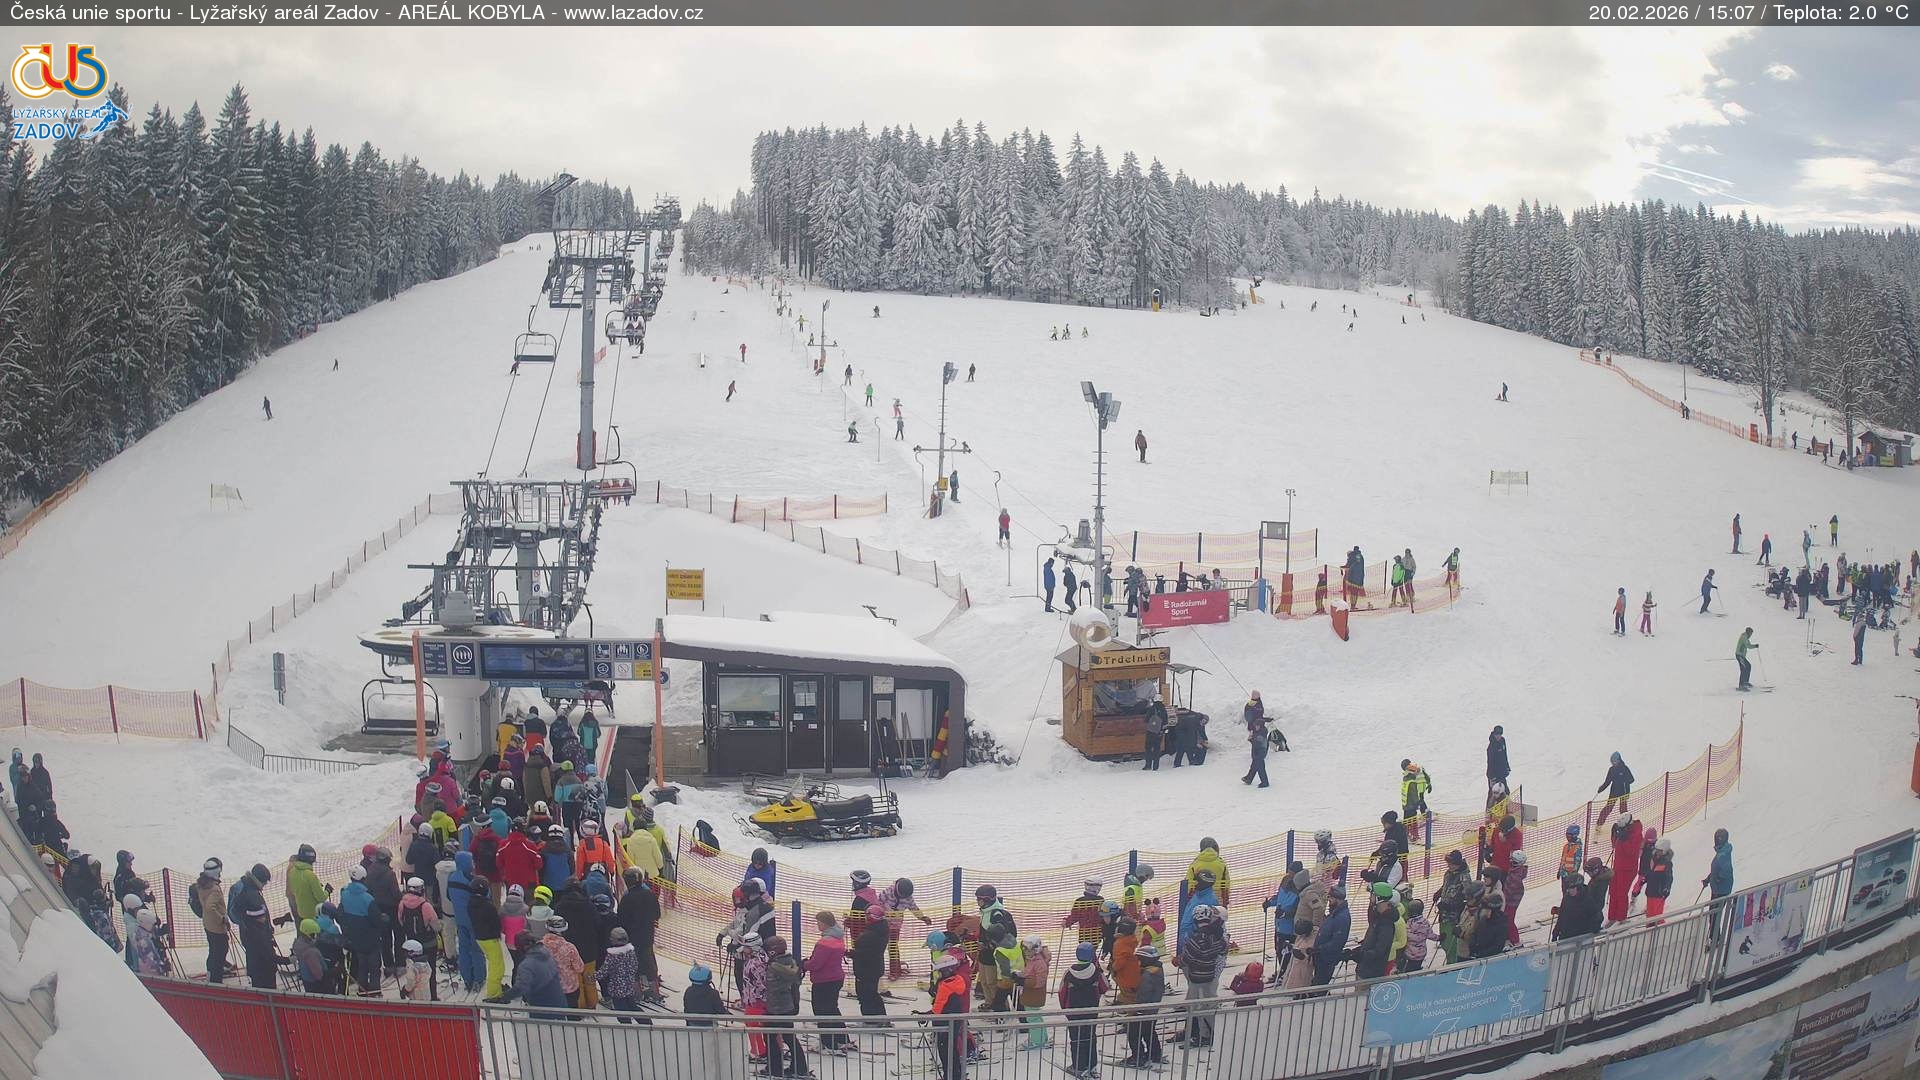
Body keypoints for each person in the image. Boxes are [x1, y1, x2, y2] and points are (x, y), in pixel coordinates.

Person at [763, 936, 809, 1079]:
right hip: (788, 1005)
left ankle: (775, 1069)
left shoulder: (774, 966)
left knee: (770, 1037)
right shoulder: (790, 962)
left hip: (776, 1007)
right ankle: (800, 1068)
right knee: (789, 1037)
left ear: (772, 952)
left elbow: (769, 985)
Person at [1180, 905, 1227, 1046]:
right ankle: (1211, 1033)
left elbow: (1187, 958)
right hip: (1210, 974)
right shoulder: (1217, 936)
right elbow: (1222, 949)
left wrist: (1181, 961)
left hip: (1196, 977)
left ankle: (1202, 1035)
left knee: (1194, 1007)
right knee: (1208, 1006)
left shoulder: (1194, 939)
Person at [805, 912, 850, 1051]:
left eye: (819, 922)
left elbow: (816, 964)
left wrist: (804, 964)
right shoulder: (838, 937)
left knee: (821, 1012)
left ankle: (828, 1043)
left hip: (824, 980)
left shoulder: (825, 942)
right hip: (836, 978)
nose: (818, 925)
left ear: (825, 923)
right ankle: (842, 1039)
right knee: (832, 1009)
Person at [1122, 944, 1168, 1067]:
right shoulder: (1157, 970)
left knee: (1133, 1033)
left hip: (1142, 1011)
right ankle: (1155, 1053)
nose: (1138, 962)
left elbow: (1143, 996)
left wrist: (1135, 1009)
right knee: (1149, 1032)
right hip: (1152, 1009)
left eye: (1140, 959)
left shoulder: (1147, 976)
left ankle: (1138, 1057)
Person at [929, 951, 970, 1080]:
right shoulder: (957, 980)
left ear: (946, 971)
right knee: (953, 1049)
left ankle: (950, 1076)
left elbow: (939, 1005)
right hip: (955, 1019)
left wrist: (929, 1015)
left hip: (943, 1022)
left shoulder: (945, 985)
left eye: (940, 972)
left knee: (945, 1051)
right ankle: (956, 1074)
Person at [191, 859, 231, 983]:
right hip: (217, 926)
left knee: (214, 951)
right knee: (220, 951)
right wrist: (222, 918)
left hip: (208, 924)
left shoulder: (202, 884)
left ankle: (211, 973)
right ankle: (215, 978)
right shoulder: (214, 889)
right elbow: (210, 907)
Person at [850, 900, 889, 1020]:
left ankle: (871, 1020)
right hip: (873, 968)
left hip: (866, 970)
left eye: (867, 916)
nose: (865, 919)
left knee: (865, 996)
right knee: (872, 994)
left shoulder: (871, 934)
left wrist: (851, 953)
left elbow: (865, 953)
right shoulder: (879, 929)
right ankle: (879, 1018)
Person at [470, 875, 506, 999]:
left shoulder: (471, 903)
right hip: (490, 938)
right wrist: (498, 933)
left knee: (492, 963)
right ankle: (494, 994)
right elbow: (496, 922)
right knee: (497, 967)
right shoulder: (487, 906)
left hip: (479, 937)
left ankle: (496, 987)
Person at [1595, 752, 1634, 827]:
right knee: (1608, 808)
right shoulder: (1611, 770)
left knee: (1623, 810)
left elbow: (1632, 779)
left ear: (1619, 760)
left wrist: (1624, 780)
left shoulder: (1625, 768)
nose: (1613, 763)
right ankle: (1599, 825)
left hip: (1624, 792)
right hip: (1614, 792)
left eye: (1614, 762)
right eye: (1612, 762)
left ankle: (1625, 825)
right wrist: (1601, 788)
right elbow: (1607, 782)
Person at [1242, 693, 1272, 788]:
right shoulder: (1259, 730)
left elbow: (1258, 742)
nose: (1255, 727)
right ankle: (1249, 778)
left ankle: (1264, 782)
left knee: (1259, 766)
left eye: (1256, 726)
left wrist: (1251, 739)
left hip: (1260, 751)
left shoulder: (1260, 732)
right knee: (1255, 764)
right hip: (1259, 751)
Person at [1644, 837, 1676, 919]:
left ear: (1664, 851)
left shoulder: (1667, 863)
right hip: (1650, 890)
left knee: (1657, 915)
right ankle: (1649, 925)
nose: (1657, 852)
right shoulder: (1654, 859)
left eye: (1660, 851)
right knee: (1649, 914)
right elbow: (1651, 871)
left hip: (1659, 892)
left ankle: (1657, 925)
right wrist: (1645, 878)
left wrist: (1667, 888)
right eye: (1657, 850)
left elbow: (1669, 877)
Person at [1704, 828, 1734, 899]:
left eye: (1718, 839)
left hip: (1721, 890)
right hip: (1718, 889)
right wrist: (1708, 879)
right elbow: (1717, 870)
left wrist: (1718, 879)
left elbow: (1726, 871)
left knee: (1716, 906)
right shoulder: (1722, 852)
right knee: (1714, 906)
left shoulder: (1723, 855)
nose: (1716, 841)